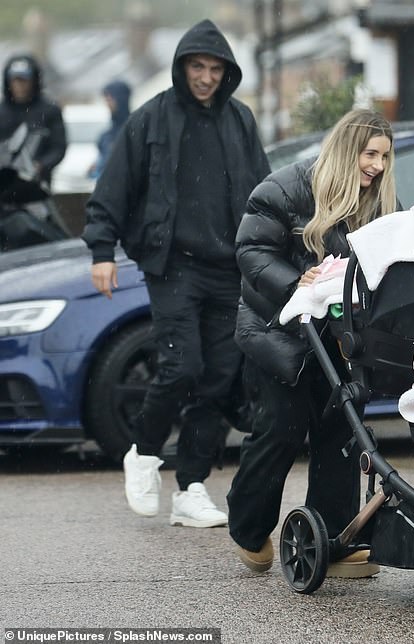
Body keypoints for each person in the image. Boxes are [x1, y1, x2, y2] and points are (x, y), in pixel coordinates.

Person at [82, 19, 270, 529]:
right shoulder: (150, 119)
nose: (206, 77)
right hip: (173, 268)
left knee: (216, 379)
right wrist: (102, 249)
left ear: (226, 73)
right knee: (180, 367)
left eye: (214, 69)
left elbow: (264, 194)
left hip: (228, 271)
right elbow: (113, 187)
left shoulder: (241, 121)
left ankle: (190, 487)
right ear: (181, 67)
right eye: (197, 67)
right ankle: (143, 455)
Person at [226, 108, 398, 577]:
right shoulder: (285, 188)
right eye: (369, 154)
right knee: (280, 427)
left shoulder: (381, 204)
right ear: (346, 150)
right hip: (279, 330)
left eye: (384, 156)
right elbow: (251, 250)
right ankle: (248, 524)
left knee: (341, 430)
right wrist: (294, 285)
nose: (377, 166)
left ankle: (332, 538)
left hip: (339, 337)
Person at [0, 53, 66, 186]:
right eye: (14, 80)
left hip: (37, 186)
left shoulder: (49, 110)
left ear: (34, 80)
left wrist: (40, 165)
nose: (19, 85)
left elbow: (58, 147)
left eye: (24, 80)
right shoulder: (2, 111)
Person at [88, 80, 131, 180]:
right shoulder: (107, 135)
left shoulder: (133, 130)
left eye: (109, 99)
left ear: (120, 99)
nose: (107, 103)